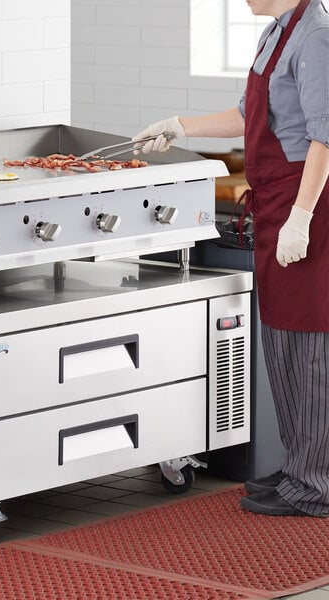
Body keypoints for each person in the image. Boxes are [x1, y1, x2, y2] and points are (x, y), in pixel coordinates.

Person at [132, 0, 329, 517]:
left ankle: (317, 483)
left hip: (305, 203)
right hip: (276, 203)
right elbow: (246, 116)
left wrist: (303, 215)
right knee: (283, 335)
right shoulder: (277, 33)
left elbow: (325, 139)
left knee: (309, 340)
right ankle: (300, 469)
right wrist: (180, 126)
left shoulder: (316, 37)